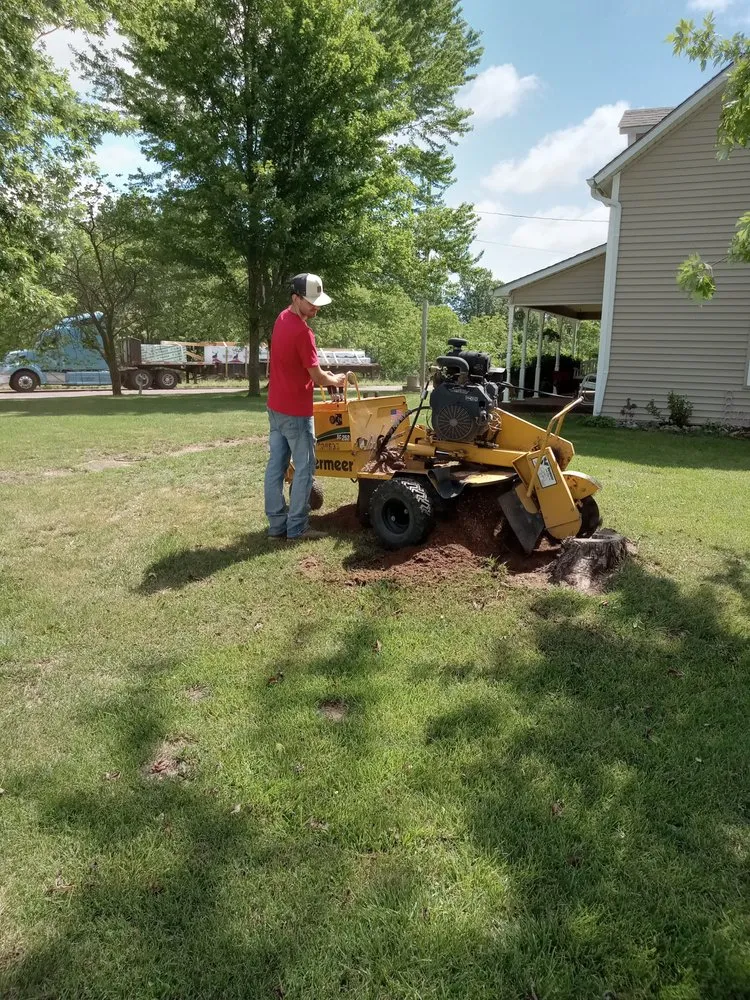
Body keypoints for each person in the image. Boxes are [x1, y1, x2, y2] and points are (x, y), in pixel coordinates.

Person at [264, 273, 346, 540]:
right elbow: (317, 376)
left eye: (318, 302)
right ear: (295, 298)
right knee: (305, 468)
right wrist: (336, 379)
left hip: (275, 408)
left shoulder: (281, 319)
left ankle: (277, 526)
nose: (316, 307)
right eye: (310, 302)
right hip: (296, 413)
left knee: (275, 467)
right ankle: (297, 527)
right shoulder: (303, 332)